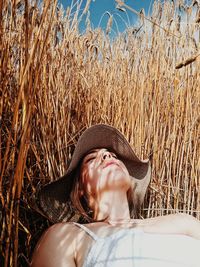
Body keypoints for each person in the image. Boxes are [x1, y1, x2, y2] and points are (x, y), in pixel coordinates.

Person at [31, 124, 200, 267]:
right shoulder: (67, 236)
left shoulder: (183, 222)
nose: (107, 155)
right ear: (80, 188)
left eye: (113, 155)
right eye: (91, 159)